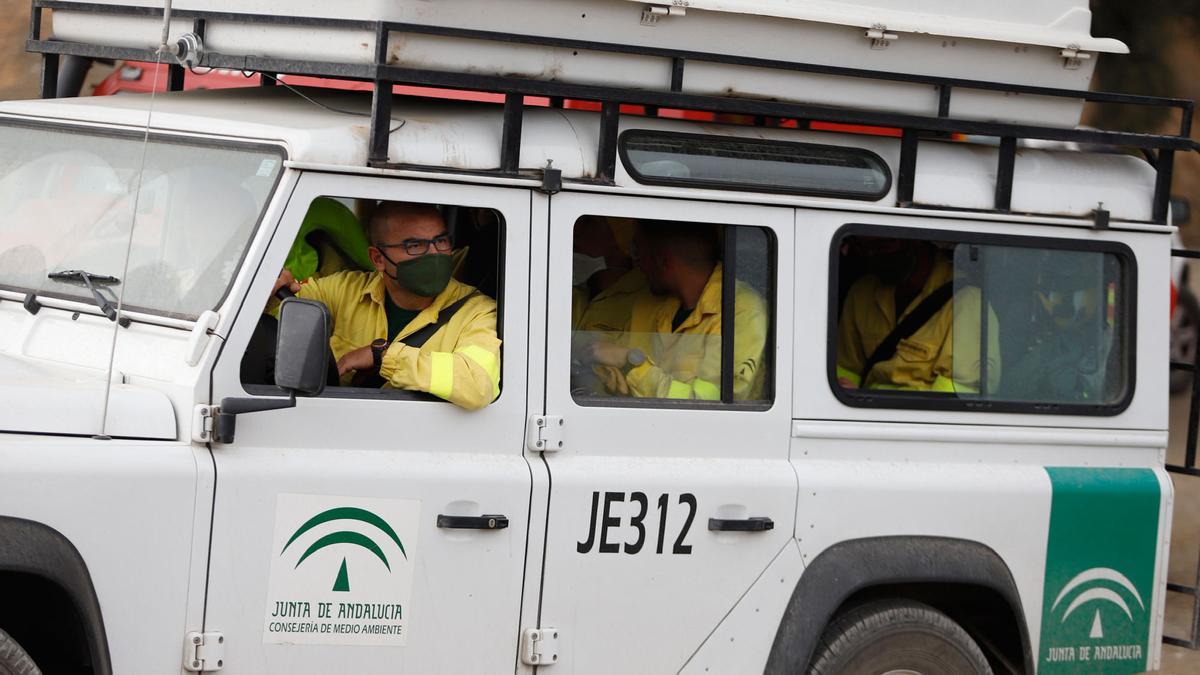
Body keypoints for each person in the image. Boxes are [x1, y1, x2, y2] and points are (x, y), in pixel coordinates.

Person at [273, 201, 500, 411]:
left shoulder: (478, 311)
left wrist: (384, 356)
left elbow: (478, 385)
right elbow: (279, 311)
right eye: (415, 245)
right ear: (378, 259)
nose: (435, 254)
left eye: (441, 241)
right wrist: (271, 290)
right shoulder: (344, 289)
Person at [585, 220, 767, 401]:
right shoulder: (655, 303)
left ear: (664, 262)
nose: (637, 265)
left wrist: (631, 363)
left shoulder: (742, 312)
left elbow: (712, 405)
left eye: (639, 253)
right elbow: (605, 356)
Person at [836, 237, 1000, 393]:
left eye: (883, 243)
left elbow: (957, 397)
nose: (874, 254)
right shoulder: (862, 292)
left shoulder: (967, 301)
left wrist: (870, 404)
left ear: (915, 242)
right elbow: (846, 370)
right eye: (866, 248)